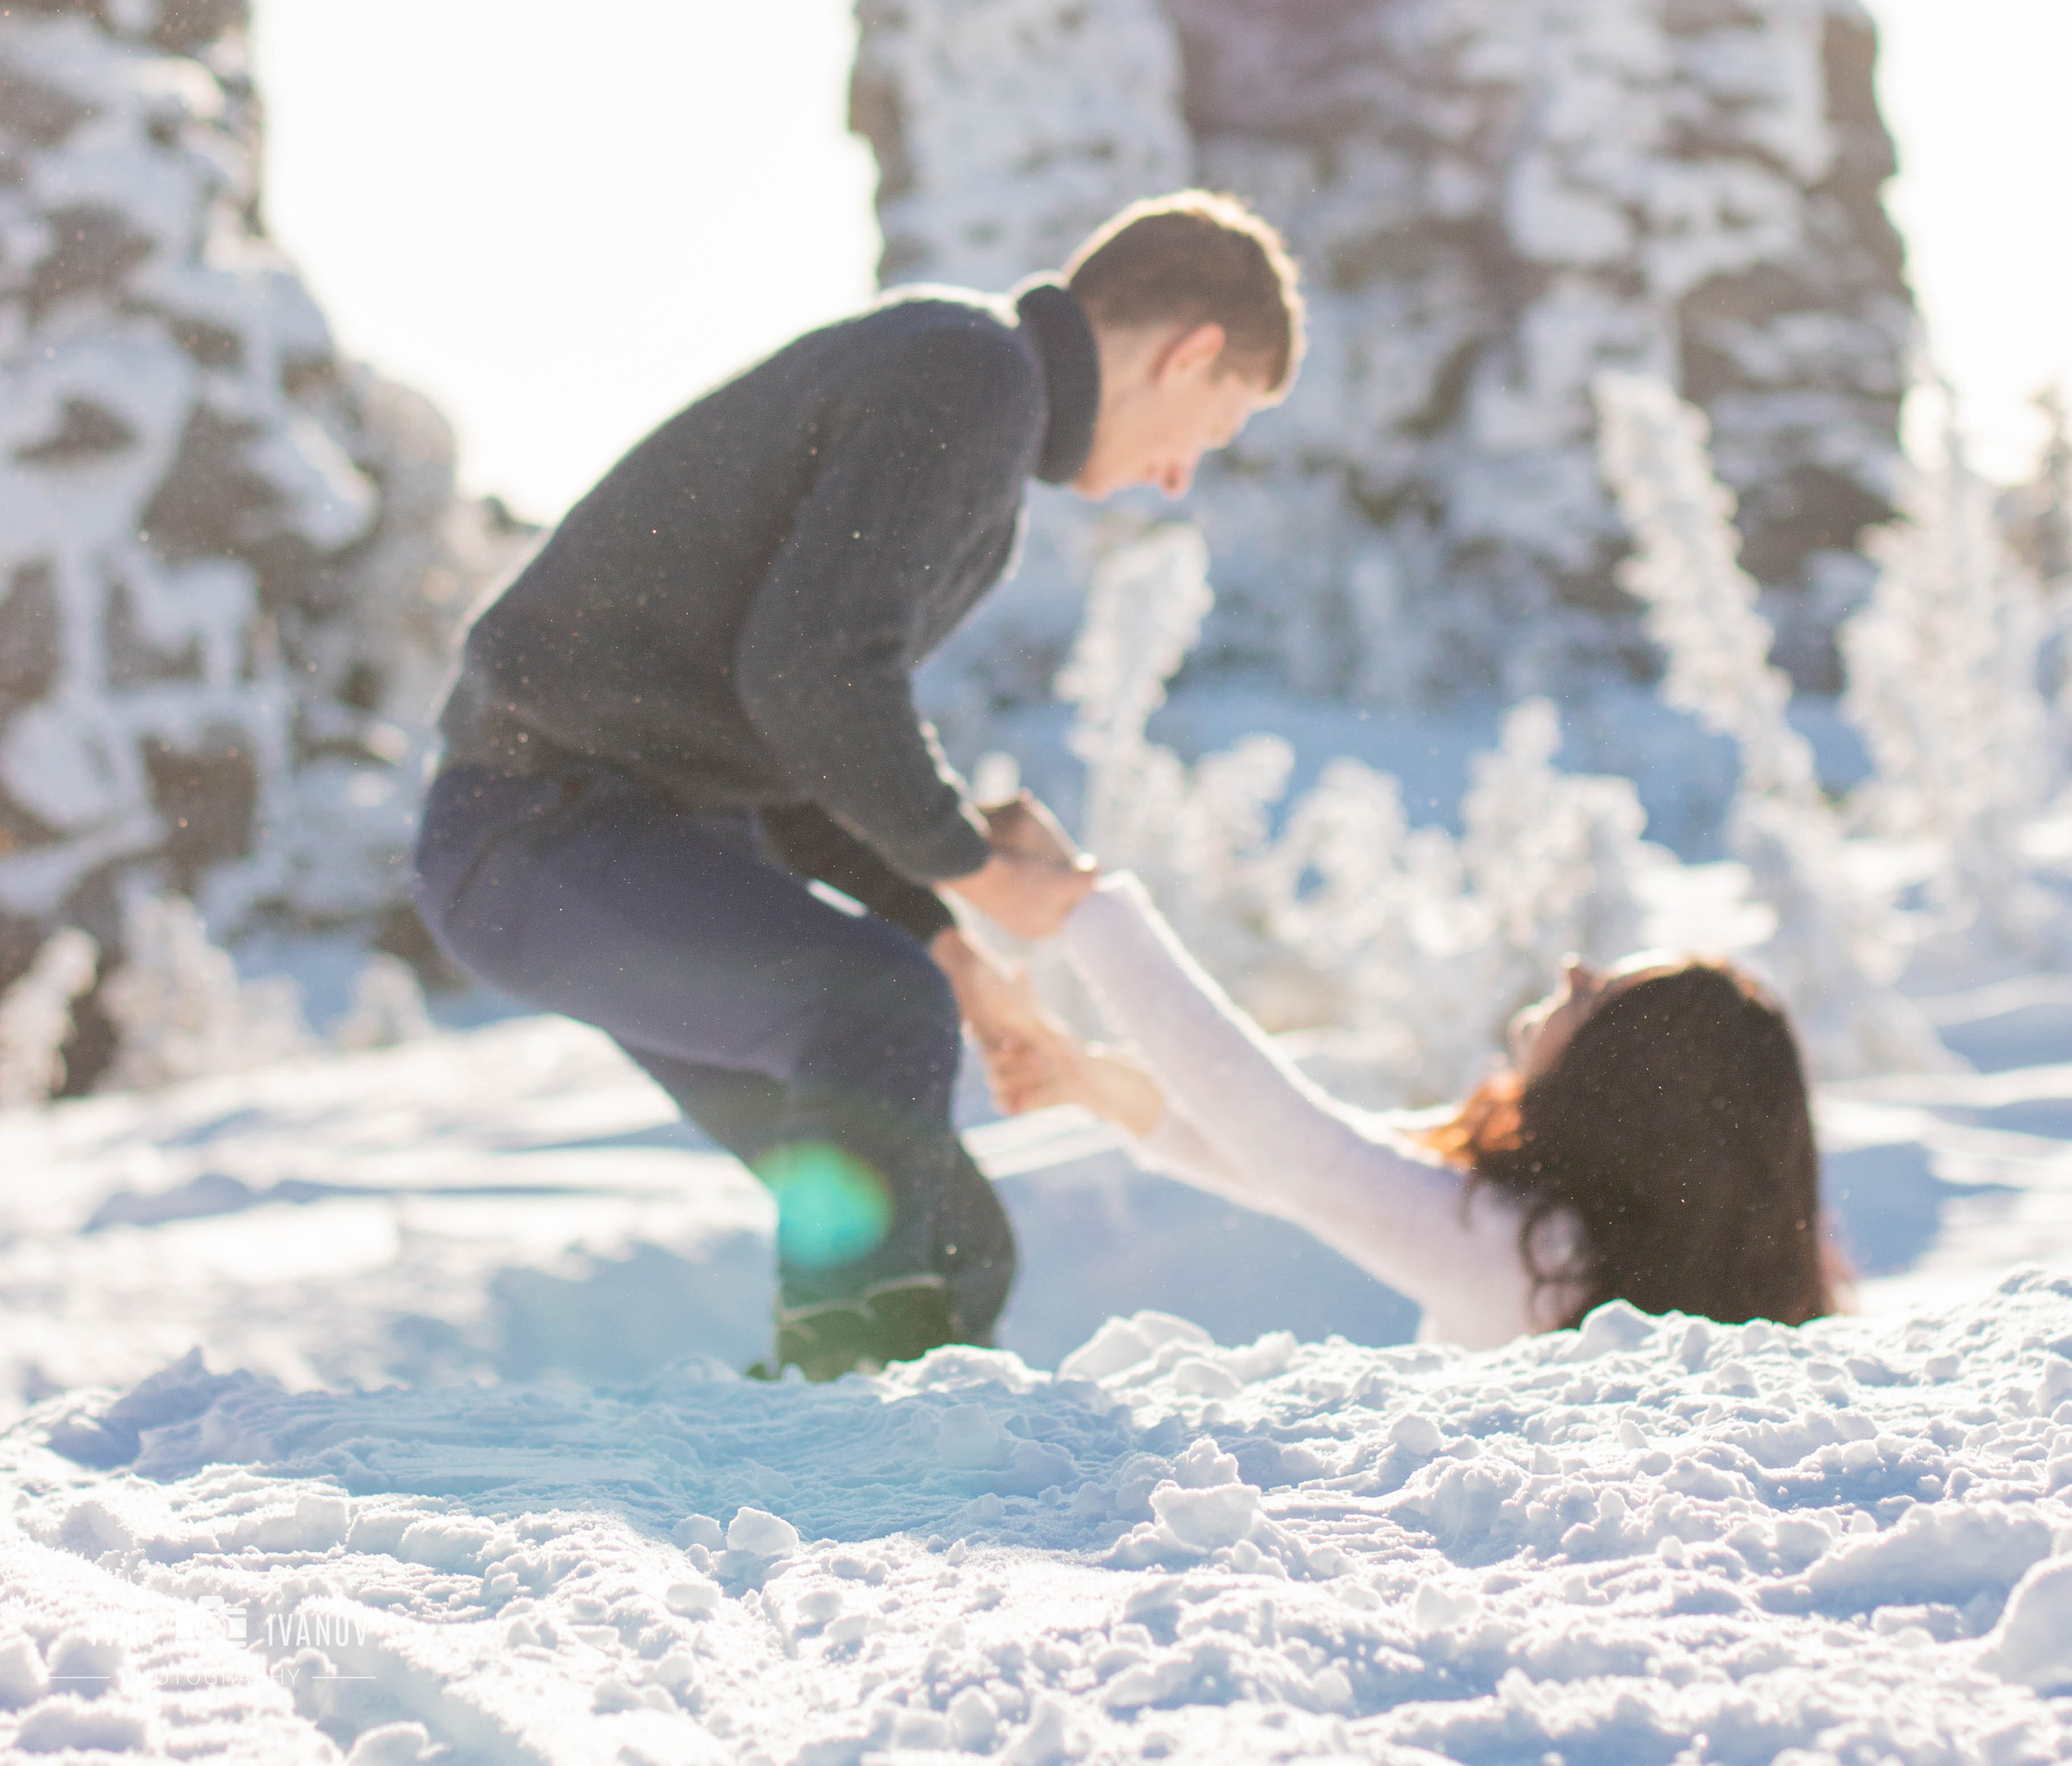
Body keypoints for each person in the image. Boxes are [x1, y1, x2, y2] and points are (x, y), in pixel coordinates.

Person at [414, 192, 1303, 1380]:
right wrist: (976, 871)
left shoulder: (971, 394)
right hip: (541, 828)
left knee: (956, 1245)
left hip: (638, 845)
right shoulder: (969, 374)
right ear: (1189, 354)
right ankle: (838, 1404)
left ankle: (846, 1448)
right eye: (1216, 427)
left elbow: (796, 748)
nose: (1181, 477)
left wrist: (952, 944)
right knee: (874, 1013)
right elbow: (814, 677)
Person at [978, 853, 1833, 1341]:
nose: (1577, 970)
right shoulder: (1564, 1245)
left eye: (1603, 997)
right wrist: (1087, 1080)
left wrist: (1086, 911)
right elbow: (1287, 1165)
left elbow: (1303, 1154)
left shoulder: (1535, 1259)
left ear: (1630, 1086)